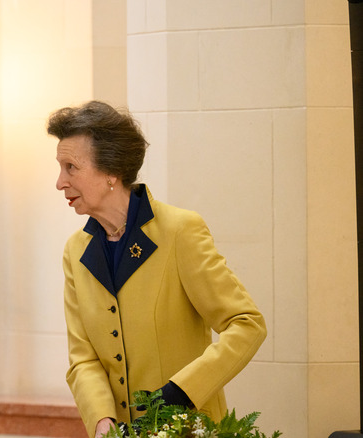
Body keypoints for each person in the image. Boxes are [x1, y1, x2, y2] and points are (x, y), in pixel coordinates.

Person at [48, 101, 266, 438]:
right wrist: (102, 421)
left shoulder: (180, 231)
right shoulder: (75, 251)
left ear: (111, 172)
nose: (60, 182)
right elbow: (83, 358)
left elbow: (247, 325)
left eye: (71, 167)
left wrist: (182, 392)